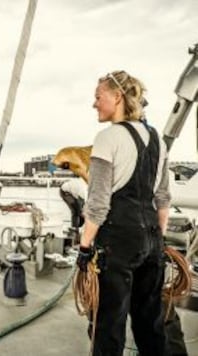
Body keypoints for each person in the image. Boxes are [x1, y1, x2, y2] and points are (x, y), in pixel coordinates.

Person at [77, 70, 172, 355]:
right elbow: (163, 197)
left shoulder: (107, 138)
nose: (94, 103)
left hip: (117, 242)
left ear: (117, 97)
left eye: (98, 97)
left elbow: (98, 203)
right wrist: (158, 242)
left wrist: (84, 246)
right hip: (152, 240)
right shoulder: (158, 140)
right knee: (150, 323)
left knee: (108, 325)